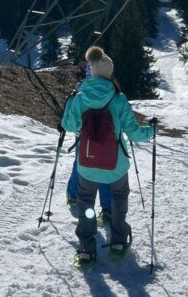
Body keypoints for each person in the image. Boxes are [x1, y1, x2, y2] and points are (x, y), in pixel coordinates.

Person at [61, 45, 154, 267]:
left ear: (92, 71)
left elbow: (68, 124)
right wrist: (151, 130)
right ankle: (119, 241)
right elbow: (134, 133)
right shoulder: (118, 99)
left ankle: (86, 248)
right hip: (115, 165)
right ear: (109, 74)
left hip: (87, 163)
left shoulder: (80, 97)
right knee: (119, 198)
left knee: (85, 202)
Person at [66, 64, 112, 225]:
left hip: (83, 137)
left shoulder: (79, 91)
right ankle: (107, 210)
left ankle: (73, 196)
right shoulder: (110, 89)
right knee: (105, 169)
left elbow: (70, 121)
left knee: (80, 165)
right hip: (106, 139)